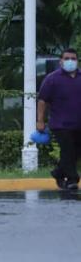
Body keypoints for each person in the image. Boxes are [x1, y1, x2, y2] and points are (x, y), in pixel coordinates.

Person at [38, 48, 81, 190]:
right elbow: (42, 100)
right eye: (67, 58)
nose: (70, 61)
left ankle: (58, 173)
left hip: (78, 124)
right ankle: (72, 180)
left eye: (73, 58)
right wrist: (40, 120)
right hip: (60, 124)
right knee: (68, 150)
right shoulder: (52, 79)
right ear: (61, 61)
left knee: (75, 152)